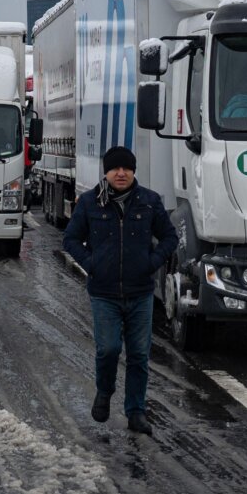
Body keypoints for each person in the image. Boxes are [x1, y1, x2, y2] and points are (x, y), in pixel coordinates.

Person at [64, 145, 176, 435]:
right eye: (115, 168)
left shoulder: (149, 202)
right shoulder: (90, 203)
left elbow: (169, 236)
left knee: (139, 355)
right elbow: (71, 239)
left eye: (126, 168)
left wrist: (152, 262)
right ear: (106, 171)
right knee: (109, 348)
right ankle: (104, 391)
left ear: (134, 170)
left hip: (140, 292)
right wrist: (92, 264)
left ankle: (136, 411)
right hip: (104, 292)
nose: (121, 173)